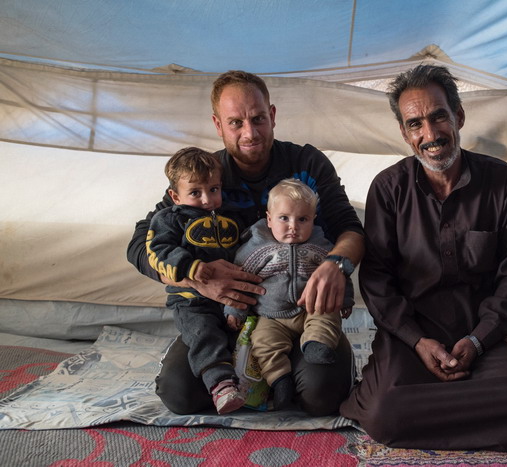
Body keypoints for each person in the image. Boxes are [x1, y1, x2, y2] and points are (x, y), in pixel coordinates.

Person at [339, 65, 507, 451]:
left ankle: (427, 409)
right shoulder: (389, 188)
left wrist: (477, 341)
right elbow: (377, 281)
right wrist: (418, 341)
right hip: (411, 337)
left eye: (438, 116)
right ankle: (465, 406)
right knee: (383, 414)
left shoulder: (502, 182)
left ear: (458, 116)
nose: (430, 135)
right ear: (405, 133)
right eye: (415, 124)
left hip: (482, 336)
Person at [127, 70, 364, 416]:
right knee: (181, 396)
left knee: (322, 396)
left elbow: (351, 229)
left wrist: (336, 265)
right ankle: (240, 366)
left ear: (273, 115)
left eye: (258, 119)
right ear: (217, 124)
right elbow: (140, 243)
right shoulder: (203, 177)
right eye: (235, 122)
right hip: (224, 317)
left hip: (299, 309)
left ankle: (299, 361)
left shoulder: (308, 164)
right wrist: (198, 278)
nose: (250, 132)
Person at [230, 178, 354, 410]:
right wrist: (235, 309)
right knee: (263, 341)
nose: (293, 226)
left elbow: (339, 276)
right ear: (269, 219)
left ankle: (317, 345)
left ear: (313, 220)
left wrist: (345, 299)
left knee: (328, 317)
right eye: (284, 218)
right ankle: (279, 380)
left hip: (311, 308)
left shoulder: (321, 246)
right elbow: (240, 279)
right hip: (271, 315)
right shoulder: (258, 248)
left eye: (302, 219)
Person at [146, 147, 247, 414]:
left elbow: (246, 251)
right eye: (195, 192)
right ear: (174, 196)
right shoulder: (168, 219)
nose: (207, 199)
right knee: (204, 334)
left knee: (250, 337)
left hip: (232, 300)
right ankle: (221, 385)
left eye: (214, 189)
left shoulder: (232, 216)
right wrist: (189, 267)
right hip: (192, 303)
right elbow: (157, 252)